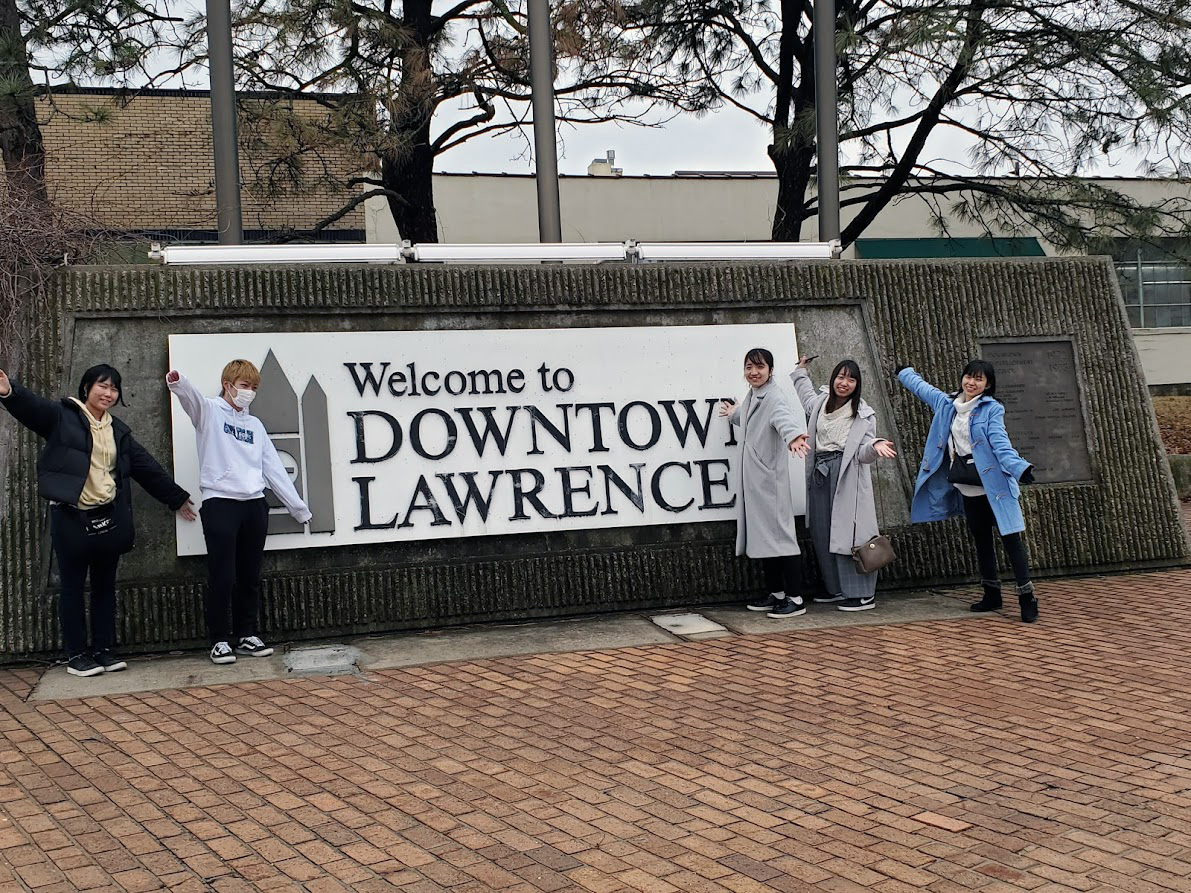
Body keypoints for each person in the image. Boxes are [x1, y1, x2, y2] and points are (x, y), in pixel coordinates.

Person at [0, 365, 195, 677]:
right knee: (73, 587)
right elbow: (33, 409)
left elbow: (145, 467)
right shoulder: (63, 417)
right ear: (87, 388)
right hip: (70, 517)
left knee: (105, 586)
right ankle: (77, 655)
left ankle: (103, 650)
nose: (108, 393)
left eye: (114, 388)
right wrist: (11, 391)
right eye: (102, 386)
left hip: (108, 517)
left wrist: (176, 497)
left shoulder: (118, 430)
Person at [167, 359, 312, 664]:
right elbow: (189, 397)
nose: (249, 393)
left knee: (249, 574)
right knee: (222, 574)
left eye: (253, 388)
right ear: (228, 385)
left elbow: (273, 469)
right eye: (245, 386)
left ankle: (247, 633)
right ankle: (219, 639)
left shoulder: (255, 426)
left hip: (254, 504)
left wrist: (298, 509)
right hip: (220, 503)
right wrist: (178, 381)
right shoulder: (208, 411)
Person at [896, 360, 1039, 622]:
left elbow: (1000, 442)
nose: (972, 383)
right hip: (966, 487)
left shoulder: (991, 409)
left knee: (1011, 541)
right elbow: (923, 389)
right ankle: (991, 594)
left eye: (979, 379)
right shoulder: (948, 405)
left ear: (988, 385)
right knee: (982, 541)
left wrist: (1019, 468)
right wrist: (904, 372)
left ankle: (1026, 596)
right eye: (969, 377)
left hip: (994, 487)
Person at [791, 357, 897, 612]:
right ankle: (836, 589)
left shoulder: (862, 414)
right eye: (841, 377)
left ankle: (862, 594)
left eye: (851, 379)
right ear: (833, 378)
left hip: (846, 474)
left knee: (848, 534)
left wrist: (875, 446)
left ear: (857, 385)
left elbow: (863, 451)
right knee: (822, 530)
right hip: (820, 473)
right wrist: (800, 372)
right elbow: (805, 395)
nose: (844, 383)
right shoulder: (820, 404)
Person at [719, 348, 811, 618]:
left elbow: (783, 419)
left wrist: (794, 436)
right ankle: (777, 593)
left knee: (782, 539)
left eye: (760, 367)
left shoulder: (773, 396)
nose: (754, 372)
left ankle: (795, 598)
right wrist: (735, 412)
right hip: (757, 483)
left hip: (770, 482)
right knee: (765, 539)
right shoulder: (754, 395)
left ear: (770, 370)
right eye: (749, 367)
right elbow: (749, 419)